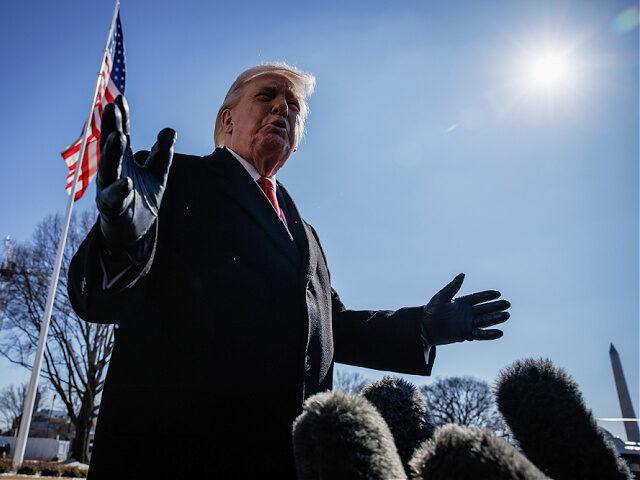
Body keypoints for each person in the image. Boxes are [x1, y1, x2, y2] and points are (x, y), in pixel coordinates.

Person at [68, 62, 511, 479]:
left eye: (293, 106)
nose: (282, 106)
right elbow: (95, 297)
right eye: (266, 96)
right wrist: (121, 242)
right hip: (174, 461)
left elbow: (332, 329)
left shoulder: (307, 234)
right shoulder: (169, 181)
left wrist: (420, 328)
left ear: (297, 138)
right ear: (227, 122)